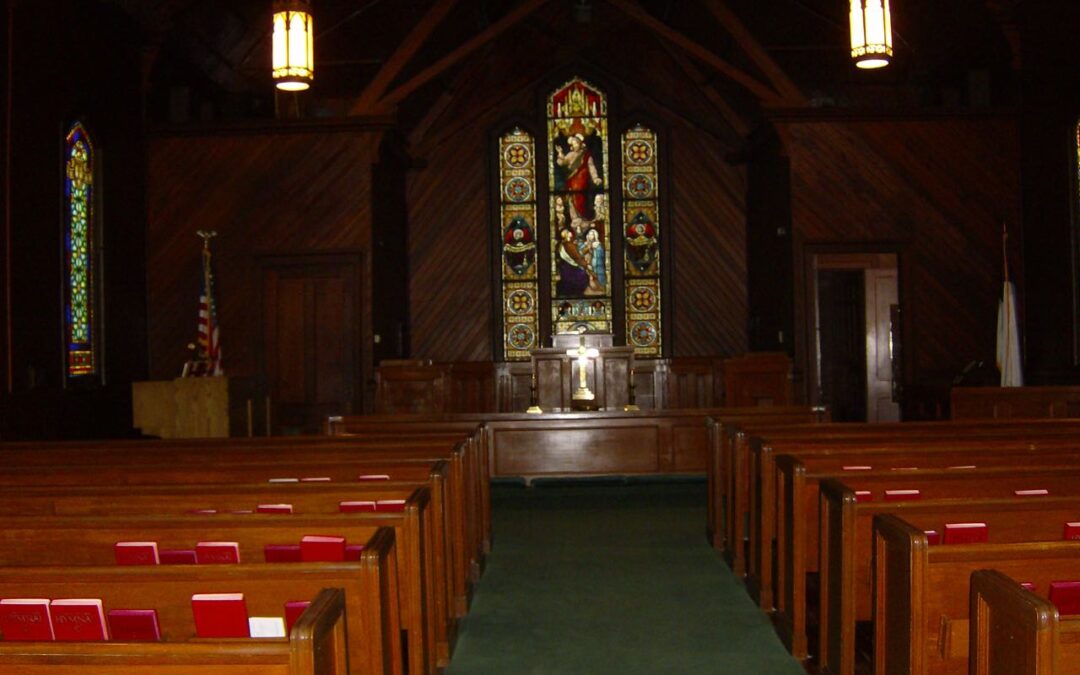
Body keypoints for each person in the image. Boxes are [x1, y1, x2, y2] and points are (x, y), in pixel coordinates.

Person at [555, 132, 603, 220]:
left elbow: (591, 167)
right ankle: (575, 218)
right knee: (572, 198)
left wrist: (595, 178)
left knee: (582, 198)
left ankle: (584, 217)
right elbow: (562, 163)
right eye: (573, 144)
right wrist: (560, 153)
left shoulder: (586, 156)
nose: (575, 145)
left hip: (583, 181)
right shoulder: (570, 155)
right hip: (572, 180)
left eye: (577, 143)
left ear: (581, 144)